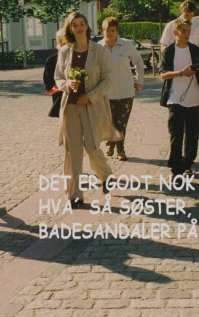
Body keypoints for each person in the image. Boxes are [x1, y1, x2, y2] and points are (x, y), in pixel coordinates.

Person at [54, 11, 120, 207]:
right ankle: (74, 195)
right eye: (75, 25)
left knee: (91, 147)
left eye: (82, 23)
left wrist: (89, 96)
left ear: (87, 26)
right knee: (72, 151)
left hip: (92, 106)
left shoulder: (99, 51)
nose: (79, 28)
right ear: (70, 29)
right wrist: (68, 84)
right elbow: (58, 78)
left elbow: (107, 80)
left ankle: (106, 175)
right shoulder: (64, 51)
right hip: (70, 107)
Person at [159, 18, 199, 176]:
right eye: (184, 31)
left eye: (189, 31)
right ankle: (176, 170)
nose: (187, 34)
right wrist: (182, 73)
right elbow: (163, 74)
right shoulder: (169, 51)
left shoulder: (195, 49)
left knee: (192, 136)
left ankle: (188, 165)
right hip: (174, 98)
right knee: (176, 135)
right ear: (175, 32)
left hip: (194, 98)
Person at [98, 17, 145, 160]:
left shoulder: (127, 46)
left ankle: (120, 149)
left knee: (122, 122)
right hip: (105, 91)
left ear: (117, 31)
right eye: (107, 30)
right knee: (108, 121)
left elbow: (139, 62)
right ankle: (109, 144)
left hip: (125, 91)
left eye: (112, 30)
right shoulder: (98, 47)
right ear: (103, 31)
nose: (110, 33)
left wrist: (139, 80)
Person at [43, 30, 67, 118]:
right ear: (59, 44)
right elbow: (48, 82)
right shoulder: (51, 60)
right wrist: (60, 90)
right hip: (59, 98)